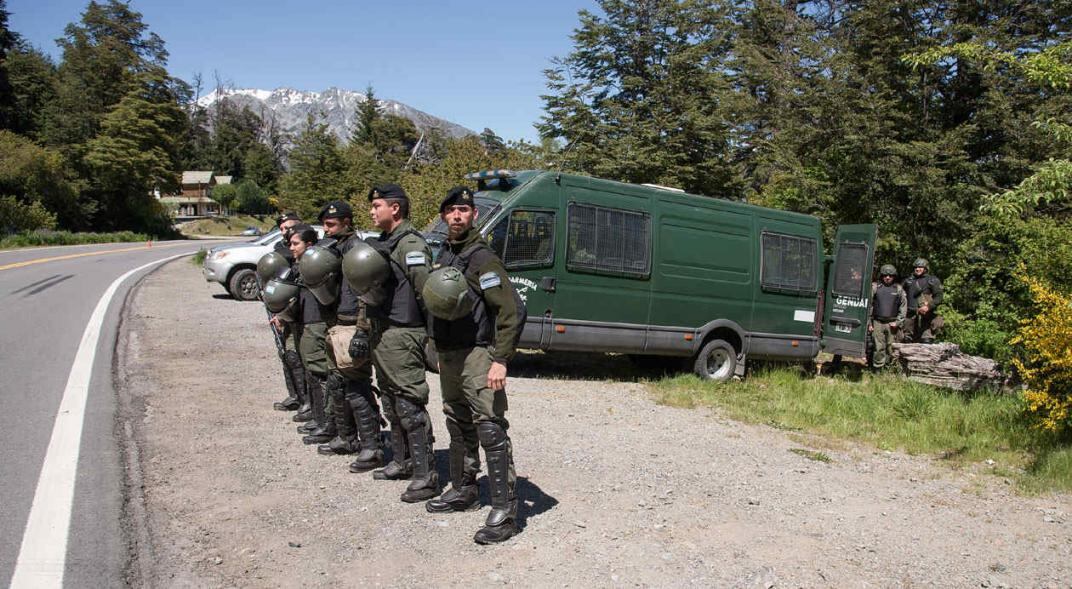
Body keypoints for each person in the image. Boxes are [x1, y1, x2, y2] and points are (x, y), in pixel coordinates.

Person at [423, 186, 524, 545]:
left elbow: (511, 311)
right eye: (450, 210)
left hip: (478, 355)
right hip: (450, 356)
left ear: (474, 215)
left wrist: (500, 360)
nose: (456, 216)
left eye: (463, 210)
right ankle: (464, 489)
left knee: (490, 428)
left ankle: (505, 509)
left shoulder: (483, 259)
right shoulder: (446, 255)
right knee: (457, 422)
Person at [360, 184, 440, 501]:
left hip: (404, 333)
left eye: (376, 205)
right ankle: (403, 461)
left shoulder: (410, 244)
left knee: (409, 404)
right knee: (392, 404)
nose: (371, 210)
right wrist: (362, 331)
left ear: (395, 208)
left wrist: (434, 337)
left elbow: (427, 291)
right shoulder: (384, 243)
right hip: (383, 331)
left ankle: (427, 475)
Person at [310, 201, 385, 470]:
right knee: (338, 385)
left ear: (346, 222)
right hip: (338, 323)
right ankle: (347, 437)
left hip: (354, 324)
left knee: (357, 387)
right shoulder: (335, 248)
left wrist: (363, 331)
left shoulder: (357, 250)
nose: (326, 230)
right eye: (324, 226)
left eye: (331, 225)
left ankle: (372, 446)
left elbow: (366, 293)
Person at [282, 225, 334, 442]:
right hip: (304, 319)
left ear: (309, 245)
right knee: (311, 373)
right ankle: (318, 417)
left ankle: (327, 423)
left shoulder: (317, 265)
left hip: (316, 320)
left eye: (296, 243)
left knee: (319, 373)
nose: (291, 248)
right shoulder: (299, 265)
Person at [268, 212, 306, 414]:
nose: (285, 232)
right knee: (286, 354)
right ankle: (295, 395)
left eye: (288, 227)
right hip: (284, 309)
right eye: (282, 229)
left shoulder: (303, 249)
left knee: (297, 356)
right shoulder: (280, 250)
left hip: (298, 312)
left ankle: (304, 400)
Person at [868, 264, 906, 371]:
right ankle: (878, 368)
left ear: (894, 276)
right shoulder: (875, 287)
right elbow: (868, 306)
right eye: (885, 275)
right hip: (877, 322)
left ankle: (890, 368)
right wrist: (869, 323)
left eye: (890, 275)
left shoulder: (898, 289)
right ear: (882, 276)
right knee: (878, 347)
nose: (888, 277)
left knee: (891, 347)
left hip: (892, 323)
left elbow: (903, 308)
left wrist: (898, 322)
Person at [903, 258, 943, 343]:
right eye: (916, 267)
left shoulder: (932, 280)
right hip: (910, 317)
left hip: (926, 316)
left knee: (926, 342)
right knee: (907, 342)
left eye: (920, 267)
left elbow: (939, 297)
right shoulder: (908, 281)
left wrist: (928, 306)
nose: (917, 269)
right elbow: (900, 297)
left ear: (925, 268)